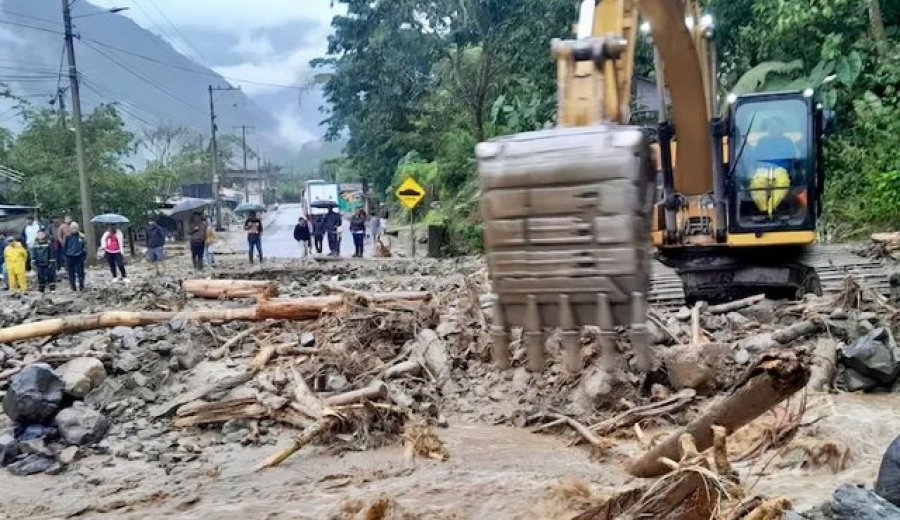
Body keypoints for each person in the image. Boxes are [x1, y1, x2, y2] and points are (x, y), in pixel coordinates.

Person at [64, 222, 87, 291]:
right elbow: (65, 247)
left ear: (78, 228)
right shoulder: (67, 236)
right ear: (70, 229)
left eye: (75, 228)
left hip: (79, 256)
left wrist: (83, 254)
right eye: (72, 228)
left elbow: (85, 247)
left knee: (80, 272)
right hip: (70, 256)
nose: (74, 229)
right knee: (71, 273)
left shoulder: (82, 236)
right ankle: (73, 287)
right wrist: (66, 255)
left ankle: (81, 286)